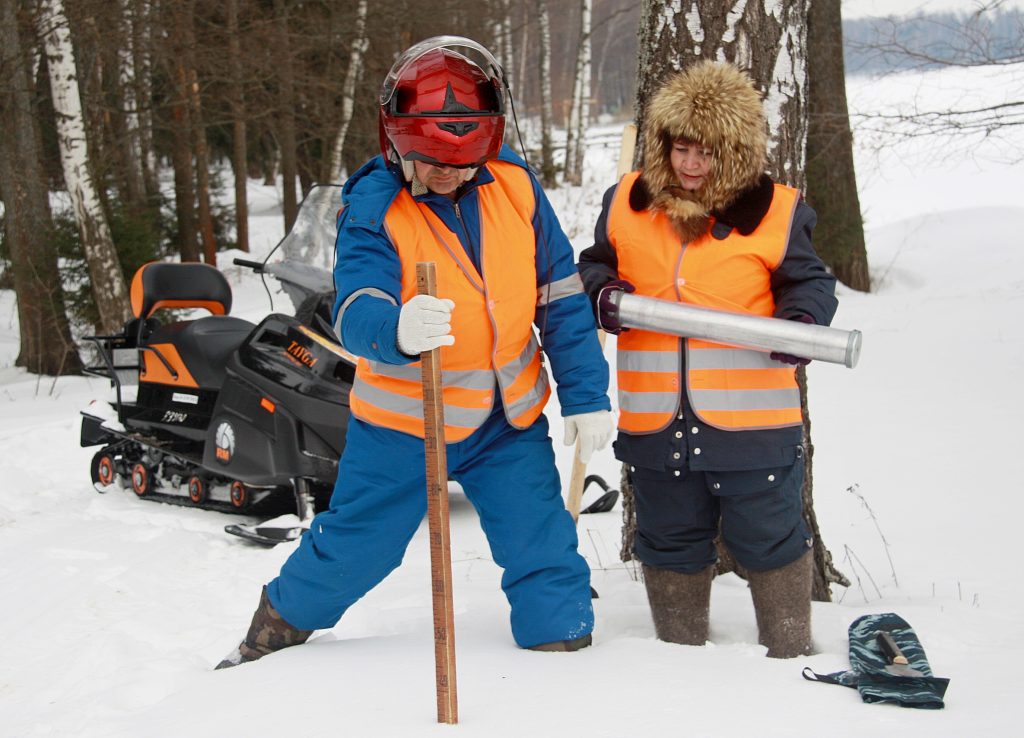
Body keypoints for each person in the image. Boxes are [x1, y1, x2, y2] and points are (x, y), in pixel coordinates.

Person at [216, 37, 614, 668]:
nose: (449, 172)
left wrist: (586, 394)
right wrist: (394, 331)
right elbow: (355, 305)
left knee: (542, 543)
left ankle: (562, 655)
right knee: (358, 547)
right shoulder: (373, 208)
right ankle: (276, 626)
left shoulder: (515, 190)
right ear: (396, 139)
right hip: (404, 425)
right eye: (433, 159)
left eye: (465, 159)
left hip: (504, 421)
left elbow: (560, 298)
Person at [577, 60, 838, 658]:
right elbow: (594, 266)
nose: (691, 165)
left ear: (737, 153)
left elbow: (811, 284)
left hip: (752, 425)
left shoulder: (776, 210)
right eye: (682, 148)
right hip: (654, 419)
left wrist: (799, 324)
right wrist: (602, 294)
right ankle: (678, 657)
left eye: (708, 153)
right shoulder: (627, 201)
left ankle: (790, 651)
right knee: (668, 539)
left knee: (769, 537)